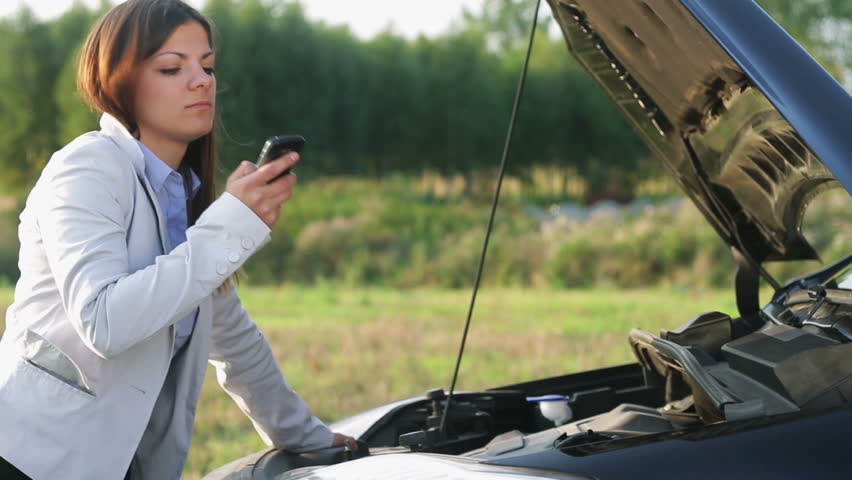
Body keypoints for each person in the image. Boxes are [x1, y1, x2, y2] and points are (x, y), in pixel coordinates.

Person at [0, 1, 356, 478]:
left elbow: (234, 342)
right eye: (172, 67)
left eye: (207, 66)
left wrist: (309, 438)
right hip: (31, 459)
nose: (202, 80)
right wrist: (231, 225)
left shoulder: (184, 199)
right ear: (118, 81)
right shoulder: (87, 168)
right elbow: (104, 322)